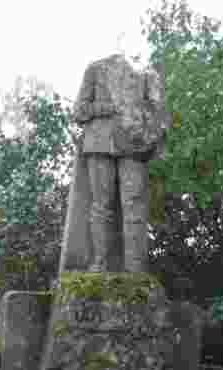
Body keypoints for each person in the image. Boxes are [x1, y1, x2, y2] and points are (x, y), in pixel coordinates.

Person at [74, 54, 166, 273]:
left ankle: (135, 269)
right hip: (100, 142)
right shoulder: (95, 68)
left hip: (134, 144)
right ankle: (100, 263)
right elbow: (79, 111)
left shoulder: (146, 74)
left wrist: (147, 133)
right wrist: (108, 108)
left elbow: (159, 113)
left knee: (134, 205)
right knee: (100, 206)